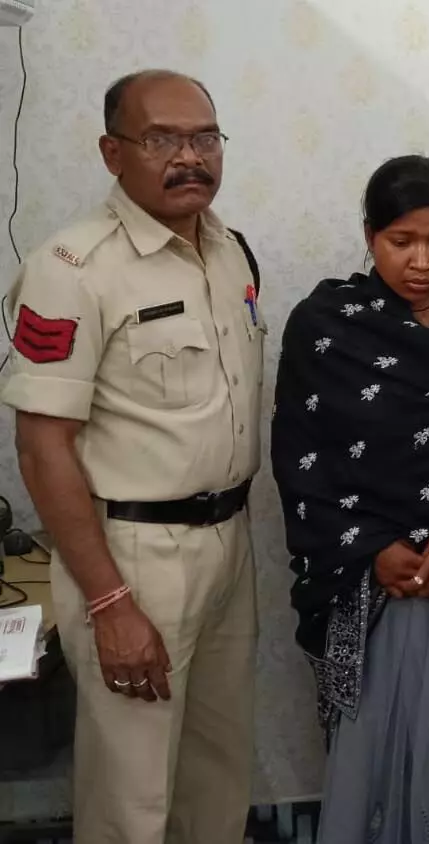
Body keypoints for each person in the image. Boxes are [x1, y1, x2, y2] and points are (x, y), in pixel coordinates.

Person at [0, 70, 261, 842]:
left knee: (217, 779)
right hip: (134, 558)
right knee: (131, 797)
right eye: (161, 140)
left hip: (230, 545)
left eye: (204, 137)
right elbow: (41, 445)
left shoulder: (229, 251)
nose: (190, 157)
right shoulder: (72, 269)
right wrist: (110, 602)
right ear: (112, 153)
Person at [271, 155, 429, 843]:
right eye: (402, 241)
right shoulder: (327, 326)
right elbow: (302, 461)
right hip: (365, 574)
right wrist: (373, 549)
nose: (422, 261)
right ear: (370, 235)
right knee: (374, 753)